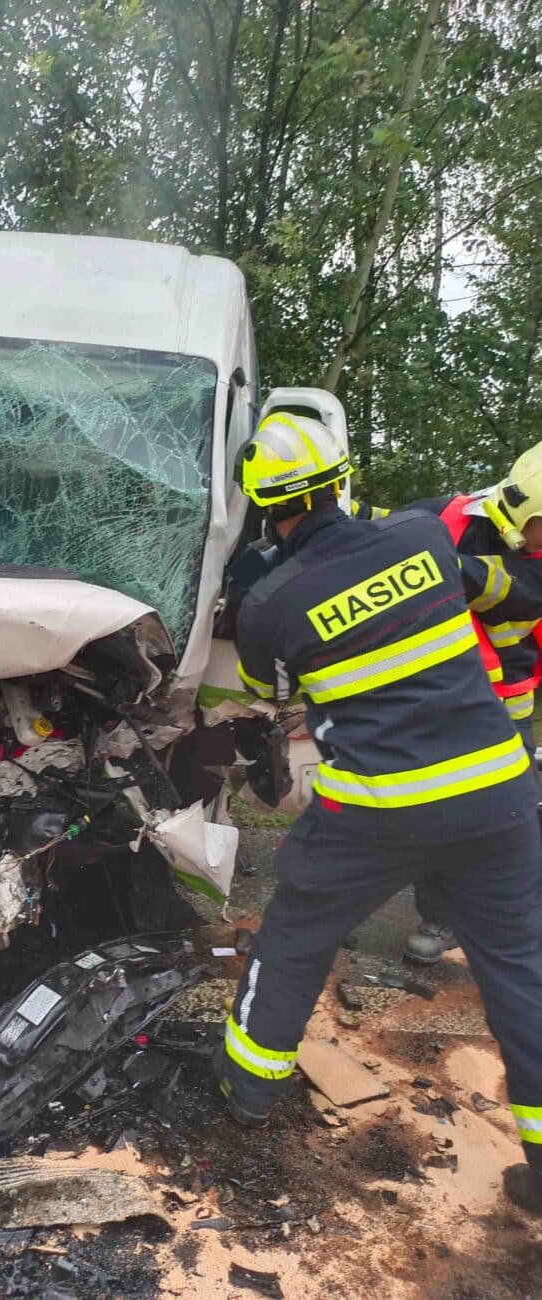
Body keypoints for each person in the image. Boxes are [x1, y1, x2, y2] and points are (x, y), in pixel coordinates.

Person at [215, 409, 542, 1216]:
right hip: (499, 796)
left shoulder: (269, 602)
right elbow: (488, 590)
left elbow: (267, 693)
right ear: (340, 481)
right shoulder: (423, 539)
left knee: (294, 937)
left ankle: (246, 1090)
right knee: (521, 970)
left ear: (263, 507)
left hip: (377, 809)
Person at [354, 446, 542, 963]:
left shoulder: (532, 566)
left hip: (503, 708)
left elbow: (490, 584)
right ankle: (442, 920)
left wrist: (412, 552)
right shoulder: (447, 514)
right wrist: (339, 515)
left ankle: (519, 932)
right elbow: (380, 524)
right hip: (433, 701)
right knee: (437, 811)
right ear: (528, 516)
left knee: (512, 820)